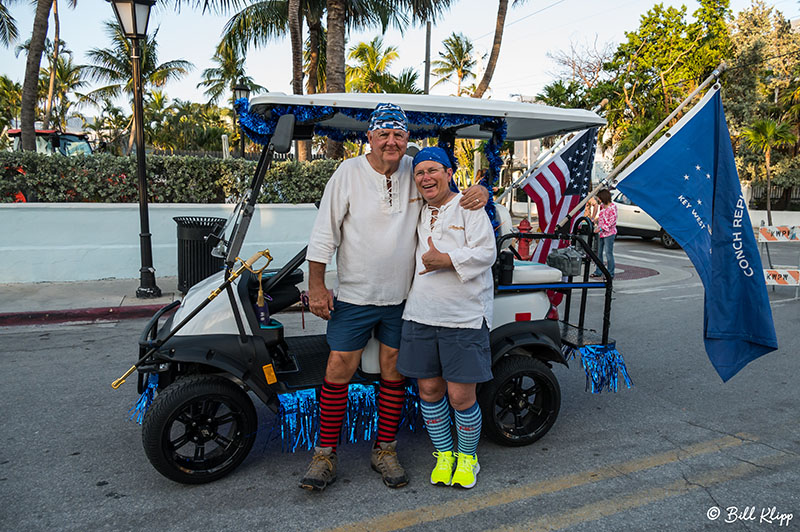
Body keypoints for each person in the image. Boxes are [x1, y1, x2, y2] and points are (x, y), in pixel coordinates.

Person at [300, 103, 490, 492]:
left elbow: (449, 189)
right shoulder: (347, 173)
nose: (391, 141)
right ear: (368, 137)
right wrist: (316, 285)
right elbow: (324, 232)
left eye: (398, 135)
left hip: (403, 298)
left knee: (394, 371)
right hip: (355, 294)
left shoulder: (414, 170)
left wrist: (482, 190)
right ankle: (324, 454)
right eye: (383, 134)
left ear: (407, 140)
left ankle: (385, 449)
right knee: (338, 368)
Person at [397, 147, 497, 489]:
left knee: (460, 396)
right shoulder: (417, 211)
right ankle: (444, 454)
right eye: (420, 172)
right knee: (428, 389)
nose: (426, 177)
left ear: (449, 173)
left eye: (433, 170)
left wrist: (448, 259)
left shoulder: (468, 206)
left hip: (464, 317)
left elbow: (487, 252)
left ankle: (468, 458)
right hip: (421, 315)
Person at [591, 188, 617, 279]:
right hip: (601, 233)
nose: (598, 199)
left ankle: (610, 273)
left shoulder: (613, 208)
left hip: (609, 234)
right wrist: (595, 220)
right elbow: (601, 216)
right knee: (599, 253)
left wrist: (601, 228)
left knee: (608, 253)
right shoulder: (602, 206)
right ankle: (598, 271)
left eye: (599, 198)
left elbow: (611, 222)